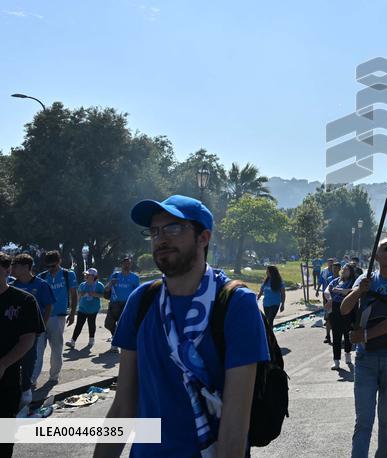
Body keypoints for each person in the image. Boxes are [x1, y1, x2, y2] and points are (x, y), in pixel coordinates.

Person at [96, 194, 270, 458]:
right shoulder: (141, 301)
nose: (161, 238)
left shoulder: (236, 304)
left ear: (203, 238)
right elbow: (123, 407)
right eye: (154, 231)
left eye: (173, 228)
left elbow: (235, 425)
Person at [339, 238, 387, 458]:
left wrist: (365, 335)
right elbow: (344, 310)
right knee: (363, 421)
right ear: (377, 256)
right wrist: (358, 292)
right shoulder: (364, 279)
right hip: (365, 361)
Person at [0, 253, 44, 458]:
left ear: (7, 270)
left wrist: (3, 364)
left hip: (7, 380)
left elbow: (27, 339)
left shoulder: (24, 300)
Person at [10, 253, 54, 407]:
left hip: (32, 330)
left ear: (26, 267)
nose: (12, 269)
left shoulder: (41, 285)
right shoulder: (12, 284)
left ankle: (27, 389)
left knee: (30, 358)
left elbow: (48, 306)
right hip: (13, 330)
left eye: (16, 266)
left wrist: (43, 325)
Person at [37, 250, 77, 384]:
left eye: (53, 266)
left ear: (59, 262)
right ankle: (32, 378)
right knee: (38, 349)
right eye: (48, 266)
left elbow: (74, 294)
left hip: (59, 317)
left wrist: (72, 313)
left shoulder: (67, 275)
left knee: (56, 348)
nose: (50, 269)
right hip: (42, 317)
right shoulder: (42, 276)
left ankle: (54, 376)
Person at [105, 256, 141, 343]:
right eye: (125, 263)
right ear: (121, 265)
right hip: (114, 303)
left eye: (128, 263)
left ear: (131, 265)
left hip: (127, 304)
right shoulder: (115, 275)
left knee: (123, 324)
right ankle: (116, 337)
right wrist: (110, 283)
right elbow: (106, 289)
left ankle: (116, 342)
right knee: (108, 324)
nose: (127, 265)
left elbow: (137, 292)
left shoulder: (135, 277)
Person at [325, 266, 354, 369]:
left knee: (347, 334)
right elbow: (327, 291)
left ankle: (347, 354)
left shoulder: (353, 281)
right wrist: (329, 299)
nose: (345, 271)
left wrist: (337, 290)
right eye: (344, 269)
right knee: (336, 335)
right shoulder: (335, 280)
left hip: (347, 309)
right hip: (335, 308)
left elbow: (350, 292)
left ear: (351, 272)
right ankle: (336, 361)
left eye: (347, 269)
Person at [67, 268, 103, 350]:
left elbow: (103, 295)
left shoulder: (99, 285)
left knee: (91, 324)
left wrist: (94, 294)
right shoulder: (82, 285)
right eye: (86, 275)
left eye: (88, 275)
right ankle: (72, 342)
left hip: (93, 309)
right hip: (82, 308)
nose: (86, 276)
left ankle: (91, 340)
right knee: (79, 325)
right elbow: (78, 295)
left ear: (93, 276)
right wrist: (80, 295)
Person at [257, 265, 286, 330]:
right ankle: (270, 335)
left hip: (275, 304)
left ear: (272, 272)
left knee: (269, 320)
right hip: (266, 304)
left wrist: (283, 304)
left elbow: (283, 293)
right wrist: (256, 300)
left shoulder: (279, 282)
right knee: (269, 321)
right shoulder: (265, 282)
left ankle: (268, 336)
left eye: (268, 271)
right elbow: (260, 292)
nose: (266, 272)